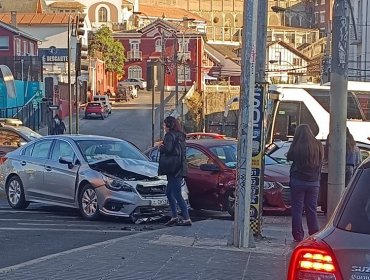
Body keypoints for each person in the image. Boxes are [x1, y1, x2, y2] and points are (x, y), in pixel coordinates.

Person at [287, 124, 323, 242]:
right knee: (311, 208)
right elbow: (321, 161)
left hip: (298, 180)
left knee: (297, 209)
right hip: (313, 182)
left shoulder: (297, 145)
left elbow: (289, 157)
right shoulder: (318, 145)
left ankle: (298, 235)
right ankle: (314, 233)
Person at [158, 116, 191, 226]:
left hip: (173, 168)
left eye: (164, 124)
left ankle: (186, 218)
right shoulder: (181, 136)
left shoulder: (169, 136)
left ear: (169, 125)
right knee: (169, 192)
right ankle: (174, 216)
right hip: (180, 167)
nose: (163, 127)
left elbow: (168, 150)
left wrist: (160, 147)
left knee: (176, 194)